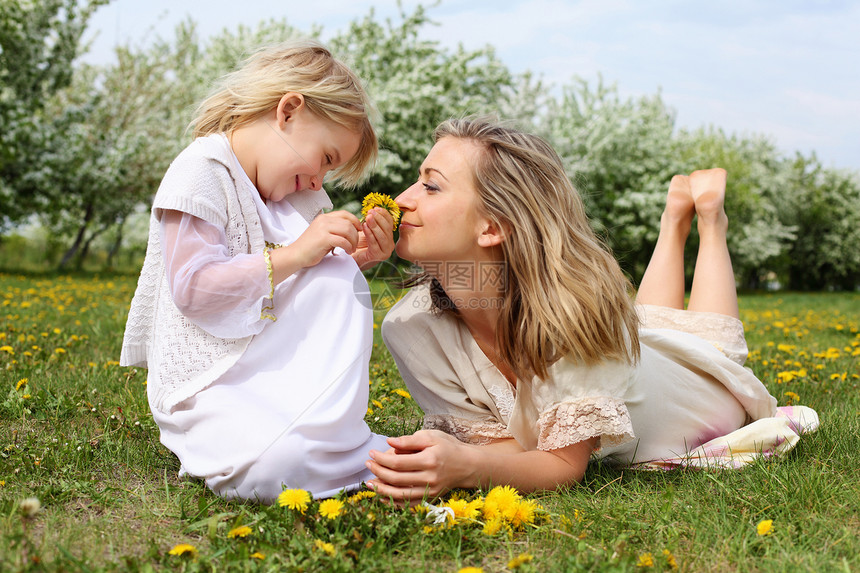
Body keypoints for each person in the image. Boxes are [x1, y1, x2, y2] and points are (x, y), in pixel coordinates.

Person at [369, 117, 817, 502]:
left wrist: (468, 468)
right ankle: (674, 217)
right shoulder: (409, 327)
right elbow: (507, 449)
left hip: (693, 394)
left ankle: (710, 221)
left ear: (495, 226)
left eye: (430, 185)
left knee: (709, 345)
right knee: (652, 325)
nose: (403, 198)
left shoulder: (571, 314)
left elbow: (564, 464)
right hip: (632, 356)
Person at [120, 40, 395, 503]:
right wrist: (299, 253)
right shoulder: (200, 172)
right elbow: (195, 288)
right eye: (326, 158)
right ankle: (334, 455)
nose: (318, 182)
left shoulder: (287, 198)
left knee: (338, 279)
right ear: (288, 111)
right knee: (275, 467)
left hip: (277, 382)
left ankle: (329, 440)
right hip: (211, 389)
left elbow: (299, 290)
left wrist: (358, 259)